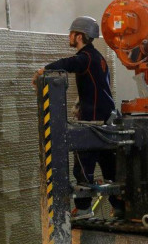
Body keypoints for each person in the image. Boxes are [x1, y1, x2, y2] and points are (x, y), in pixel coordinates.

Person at [33, 16, 124, 220]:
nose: (69, 36)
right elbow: (98, 87)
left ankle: (83, 209)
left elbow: (69, 63)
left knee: (83, 165)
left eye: (72, 33)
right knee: (109, 166)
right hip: (105, 119)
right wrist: (80, 104)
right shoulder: (98, 58)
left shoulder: (86, 57)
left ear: (80, 36)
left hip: (92, 121)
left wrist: (44, 70)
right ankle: (119, 207)